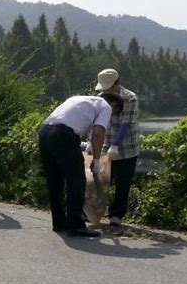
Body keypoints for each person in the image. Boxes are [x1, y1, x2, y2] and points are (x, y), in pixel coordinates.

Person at [38, 94, 123, 237]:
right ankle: (75, 225)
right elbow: (98, 133)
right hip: (63, 135)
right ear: (114, 105)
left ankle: (59, 222)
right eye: (113, 114)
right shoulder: (106, 106)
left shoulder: (79, 99)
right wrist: (97, 161)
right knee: (76, 180)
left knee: (55, 181)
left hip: (45, 133)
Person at [95, 68, 140, 226]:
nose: (106, 90)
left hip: (128, 147)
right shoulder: (100, 97)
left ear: (116, 83)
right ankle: (93, 211)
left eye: (109, 86)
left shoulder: (130, 98)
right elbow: (97, 123)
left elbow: (126, 124)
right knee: (99, 181)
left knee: (123, 184)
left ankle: (116, 216)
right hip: (105, 146)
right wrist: (91, 141)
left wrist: (116, 145)